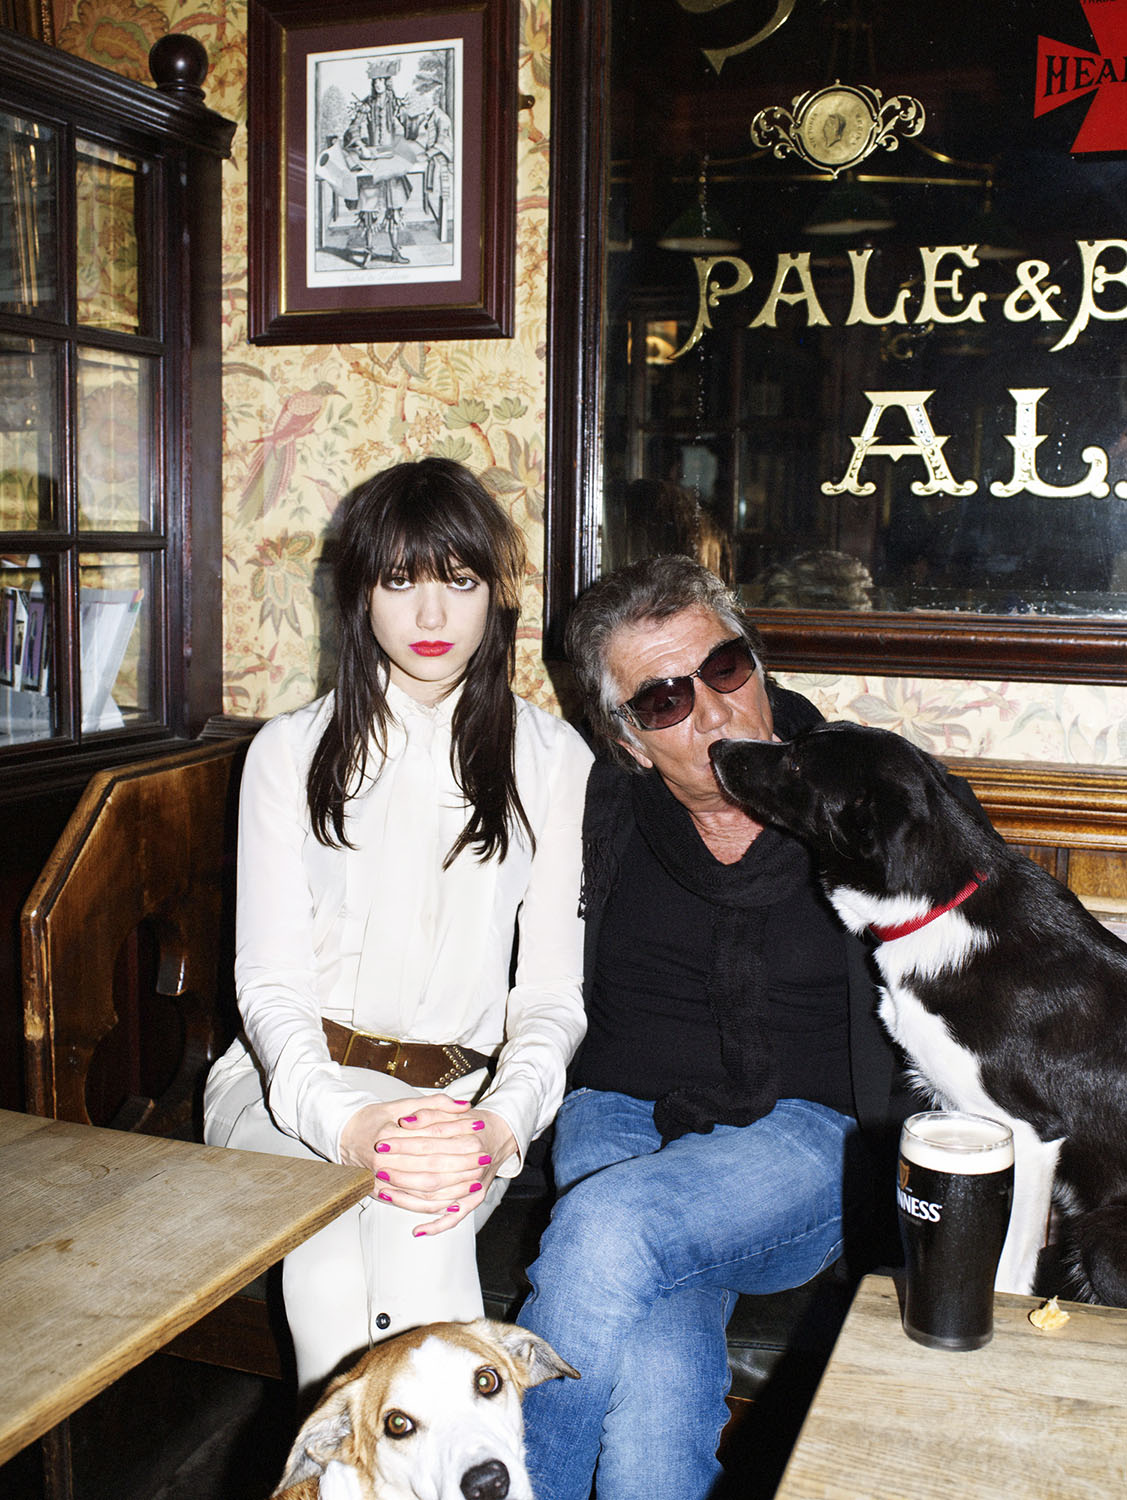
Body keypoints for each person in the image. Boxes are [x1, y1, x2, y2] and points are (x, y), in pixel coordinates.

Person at [516, 554, 976, 1500]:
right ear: (628, 740)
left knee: (607, 1227)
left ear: (757, 663)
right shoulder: (594, 806)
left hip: (806, 1136)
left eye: (724, 669)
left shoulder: (874, 791)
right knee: (653, 1348)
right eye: (664, 701)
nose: (715, 713)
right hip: (616, 1115)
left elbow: (992, 963)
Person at [203, 457, 591, 1395]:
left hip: (462, 1102)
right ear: (359, 595)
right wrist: (344, 1123)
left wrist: (501, 1122)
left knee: (421, 1233)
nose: (430, 614)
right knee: (329, 1256)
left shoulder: (552, 759)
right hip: (287, 1085)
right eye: (398, 580)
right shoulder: (288, 753)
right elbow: (270, 983)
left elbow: (549, 994)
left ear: (495, 596)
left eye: (459, 581)